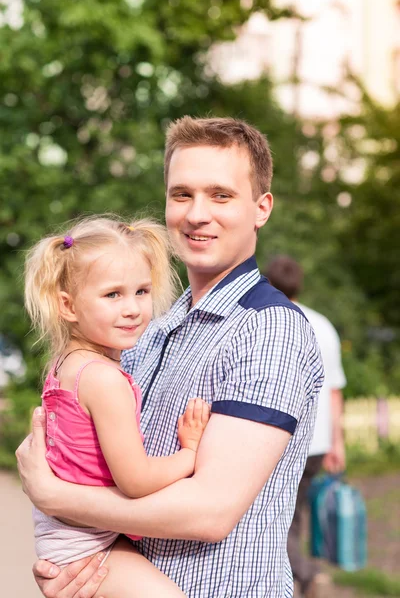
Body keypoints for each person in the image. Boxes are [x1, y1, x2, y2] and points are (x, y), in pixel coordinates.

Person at [16, 116, 324, 598]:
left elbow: (208, 513)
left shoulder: (269, 329)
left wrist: (60, 499)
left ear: (261, 208)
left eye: (220, 195)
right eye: (182, 194)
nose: (197, 213)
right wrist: (76, 570)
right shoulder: (149, 331)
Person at [24, 215, 210, 597]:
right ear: (68, 306)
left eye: (141, 291)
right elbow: (135, 479)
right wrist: (189, 454)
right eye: (113, 295)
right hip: (84, 545)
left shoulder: (66, 363)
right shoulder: (103, 379)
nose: (132, 308)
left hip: (70, 535)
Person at [265, 255, 347, 598]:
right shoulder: (324, 325)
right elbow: (334, 391)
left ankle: (302, 575)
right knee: (297, 514)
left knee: (278, 517)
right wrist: (337, 442)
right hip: (318, 442)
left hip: (283, 440)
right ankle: (304, 574)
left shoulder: (270, 322)